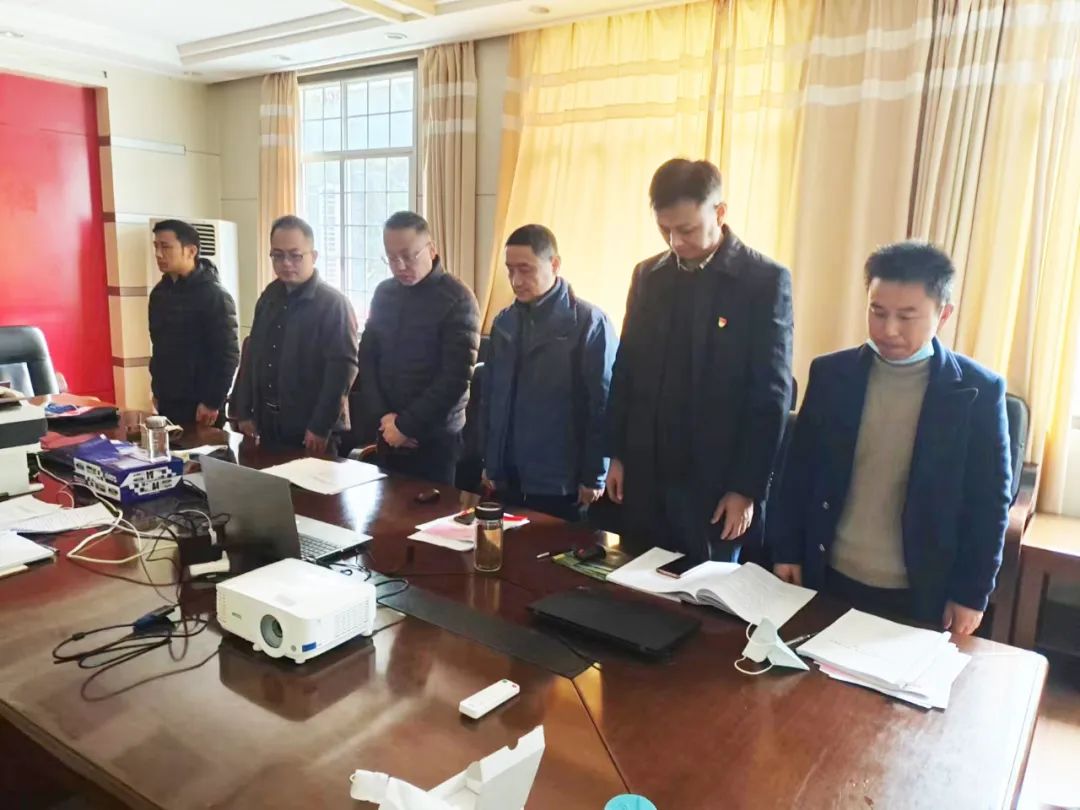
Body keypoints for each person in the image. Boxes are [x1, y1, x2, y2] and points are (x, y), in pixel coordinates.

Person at [770, 242, 1012, 635]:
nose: (889, 330)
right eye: (877, 312)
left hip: (918, 591)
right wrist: (787, 549)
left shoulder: (977, 392)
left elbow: (989, 503)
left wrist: (972, 593)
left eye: (907, 316)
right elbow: (798, 472)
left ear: (943, 314)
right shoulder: (832, 375)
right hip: (828, 574)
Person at [606, 159, 793, 563]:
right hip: (646, 471)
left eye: (687, 229)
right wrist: (617, 454)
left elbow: (770, 394)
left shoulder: (763, 281)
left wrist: (746, 489)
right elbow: (626, 368)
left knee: (701, 591)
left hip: (714, 481)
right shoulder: (648, 276)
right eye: (665, 230)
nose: (675, 242)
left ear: (719, 213)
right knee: (629, 581)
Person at [481, 225, 617, 522]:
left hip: (561, 481)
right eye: (510, 270)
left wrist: (595, 474)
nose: (516, 281)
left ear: (554, 264)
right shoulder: (504, 323)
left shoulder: (589, 323)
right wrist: (490, 462)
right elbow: (490, 398)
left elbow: (603, 406)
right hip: (507, 477)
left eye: (525, 269)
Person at [358, 211, 480, 486]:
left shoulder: (458, 298)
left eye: (408, 256)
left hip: (435, 440)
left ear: (431, 249)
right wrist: (385, 419)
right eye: (391, 258)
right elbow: (367, 357)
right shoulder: (384, 293)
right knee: (385, 508)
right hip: (388, 432)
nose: (400, 266)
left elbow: (455, 378)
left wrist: (406, 426)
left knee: (430, 511)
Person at [233, 215, 358, 455]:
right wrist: (245, 410)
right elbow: (253, 356)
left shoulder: (333, 304)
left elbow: (342, 371)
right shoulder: (269, 297)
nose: (286, 263)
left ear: (314, 256)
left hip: (311, 429)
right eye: (277, 256)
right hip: (267, 423)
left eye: (295, 255)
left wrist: (320, 426)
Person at [148, 219, 239, 427]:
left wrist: (212, 401)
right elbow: (159, 348)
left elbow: (228, 354)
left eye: (166, 247)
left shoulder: (214, 295)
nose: (159, 254)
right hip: (168, 399)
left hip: (201, 403)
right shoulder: (159, 294)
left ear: (191, 251)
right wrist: (157, 391)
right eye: (156, 247)